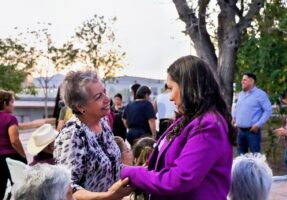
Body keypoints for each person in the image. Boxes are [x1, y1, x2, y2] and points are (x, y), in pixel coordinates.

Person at [121, 55, 237, 200]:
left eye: (172, 88)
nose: (170, 97)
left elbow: (180, 179)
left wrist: (130, 173)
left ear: (188, 87)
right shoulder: (189, 119)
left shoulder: (208, 125)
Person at [54, 70, 133, 200]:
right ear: (80, 107)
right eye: (98, 97)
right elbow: (67, 188)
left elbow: (111, 166)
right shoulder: (73, 135)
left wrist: (142, 173)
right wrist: (107, 196)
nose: (108, 99)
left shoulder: (102, 123)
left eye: (105, 92)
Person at [232, 72, 272, 154]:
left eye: (244, 80)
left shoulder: (260, 94)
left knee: (255, 158)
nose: (242, 82)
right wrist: (234, 117)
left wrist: (258, 124)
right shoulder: (241, 94)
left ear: (252, 81)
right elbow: (237, 108)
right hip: (240, 132)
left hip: (252, 132)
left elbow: (268, 110)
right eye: (242, 80)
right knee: (241, 157)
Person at [0, 89, 27, 199]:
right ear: (5, 103)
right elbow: (14, 140)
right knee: (19, 188)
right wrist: (23, 156)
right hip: (10, 157)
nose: (13, 105)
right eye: (12, 102)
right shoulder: (10, 118)